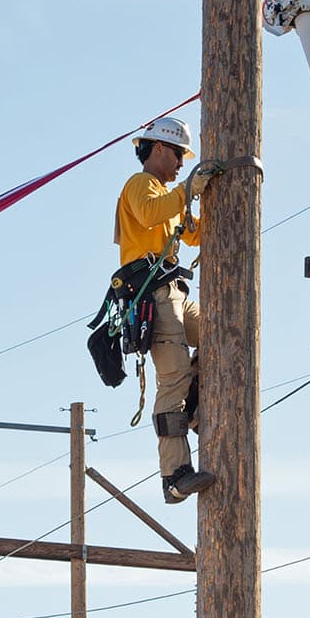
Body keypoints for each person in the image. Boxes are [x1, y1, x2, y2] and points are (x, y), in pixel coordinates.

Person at [114, 116, 215, 504]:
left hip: (175, 291)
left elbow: (195, 232)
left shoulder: (167, 196)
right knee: (171, 378)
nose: (180, 165)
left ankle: (191, 407)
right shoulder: (140, 186)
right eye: (177, 155)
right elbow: (151, 214)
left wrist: (214, 197)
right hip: (152, 294)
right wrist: (190, 188)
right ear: (158, 148)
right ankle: (173, 477)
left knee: (219, 334)